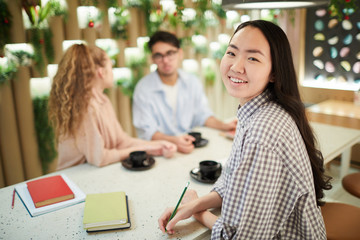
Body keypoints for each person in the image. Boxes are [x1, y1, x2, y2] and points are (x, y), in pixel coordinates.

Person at [158, 20, 332, 239]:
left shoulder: (263, 131)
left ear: (274, 73)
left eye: (252, 58)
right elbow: (231, 182)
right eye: (232, 53)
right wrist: (192, 205)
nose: (236, 66)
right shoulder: (254, 110)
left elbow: (240, 237)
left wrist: (199, 212)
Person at [48, 44, 177, 170]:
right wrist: (144, 149)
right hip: (75, 181)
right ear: (101, 72)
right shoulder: (85, 108)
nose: (113, 72)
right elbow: (100, 158)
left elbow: (121, 141)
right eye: (111, 66)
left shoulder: (103, 101)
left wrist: (158, 146)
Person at [132, 31, 237, 154]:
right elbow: (147, 132)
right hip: (160, 151)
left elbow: (202, 115)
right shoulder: (143, 89)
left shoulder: (192, 82)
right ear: (152, 59)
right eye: (158, 55)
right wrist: (175, 140)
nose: (165, 60)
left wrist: (225, 126)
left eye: (170, 53)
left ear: (180, 53)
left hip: (189, 147)